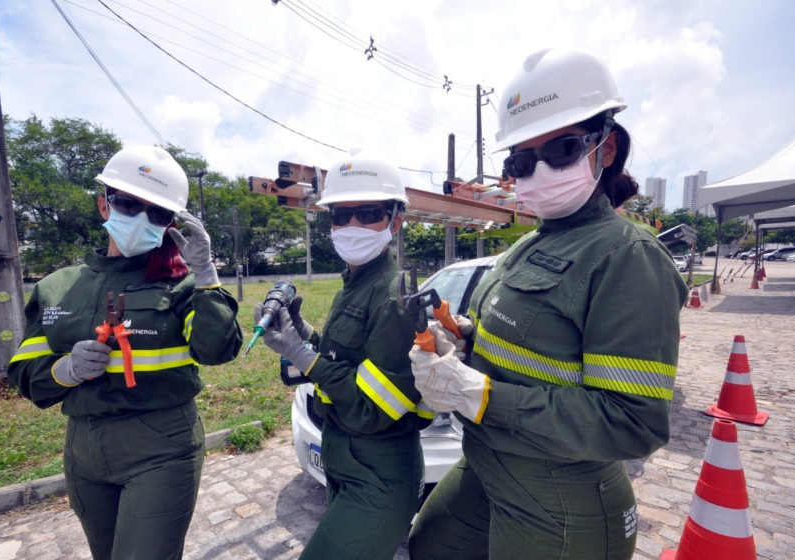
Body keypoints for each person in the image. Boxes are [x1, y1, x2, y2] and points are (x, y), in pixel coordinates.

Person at [408, 48, 689, 559]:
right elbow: (528, 342)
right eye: (519, 159)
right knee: (430, 546)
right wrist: (465, 342)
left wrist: (480, 395)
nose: (536, 171)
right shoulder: (528, 245)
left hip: (560, 498)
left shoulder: (628, 257)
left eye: (560, 149)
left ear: (606, 149)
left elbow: (631, 421)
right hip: (487, 463)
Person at [7, 145, 243, 560]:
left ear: (171, 223)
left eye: (157, 213)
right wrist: (64, 370)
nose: (141, 219)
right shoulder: (57, 286)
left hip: (160, 445)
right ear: (105, 205)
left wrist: (207, 277)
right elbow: (25, 372)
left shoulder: (181, 286)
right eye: (130, 204)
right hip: (83, 449)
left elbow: (217, 349)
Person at [255, 147, 432, 560]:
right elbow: (349, 360)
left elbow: (376, 406)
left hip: (380, 474)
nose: (352, 225)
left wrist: (303, 356)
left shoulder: (394, 295)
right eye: (340, 215)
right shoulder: (354, 283)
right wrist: (306, 334)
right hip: (344, 462)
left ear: (396, 220)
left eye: (368, 213)